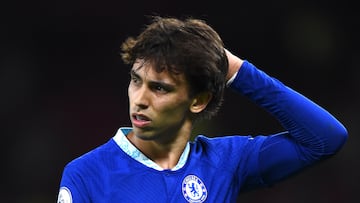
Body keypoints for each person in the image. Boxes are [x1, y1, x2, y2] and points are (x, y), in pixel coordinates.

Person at [57, 16, 348, 203]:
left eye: (159, 88)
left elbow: (325, 139)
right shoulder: (87, 174)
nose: (140, 99)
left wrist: (237, 71)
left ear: (198, 101)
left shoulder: (227, 162)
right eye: (136, 80)